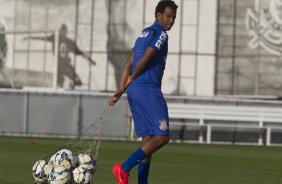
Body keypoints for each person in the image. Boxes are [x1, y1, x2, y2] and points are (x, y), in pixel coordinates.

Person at [108, 1, 178, 183]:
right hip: (148, 89)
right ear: (158, 15)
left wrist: (122, 88)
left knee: (149, 139)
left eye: (174, 18)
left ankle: (142, 182)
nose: (171, 21)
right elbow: (145, 58)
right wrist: (133, 78)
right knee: (162, 136)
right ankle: (124, 168)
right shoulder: (161, 34)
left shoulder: (143, 34)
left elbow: (129, 61)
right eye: (168, 16)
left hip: (134, 91)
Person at [23, 24, 96, 88]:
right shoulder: (66, 40)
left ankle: (69, 84)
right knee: (75, 82)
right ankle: (69, 84)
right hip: (65, 66)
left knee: (65, 84)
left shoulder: (58, 38)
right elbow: (80, 53)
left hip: (60, 66)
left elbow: (42, 38)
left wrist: (29, 37)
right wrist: (90, 60)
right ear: (65, 32)